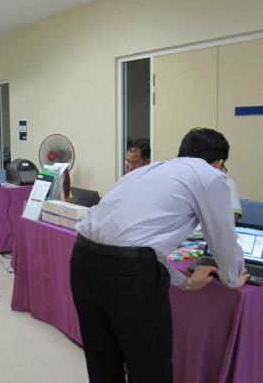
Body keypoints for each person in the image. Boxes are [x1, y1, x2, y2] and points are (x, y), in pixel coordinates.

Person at [70, 127, 250, 383]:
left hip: (82, 260)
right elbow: (223, 235)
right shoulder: (211, 176)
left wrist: (185, 282)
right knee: (149, 366)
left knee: (103, 361)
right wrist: (233, 277)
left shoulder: (148, 171)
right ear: (219, 162)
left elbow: (143, 243)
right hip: (129, 274)